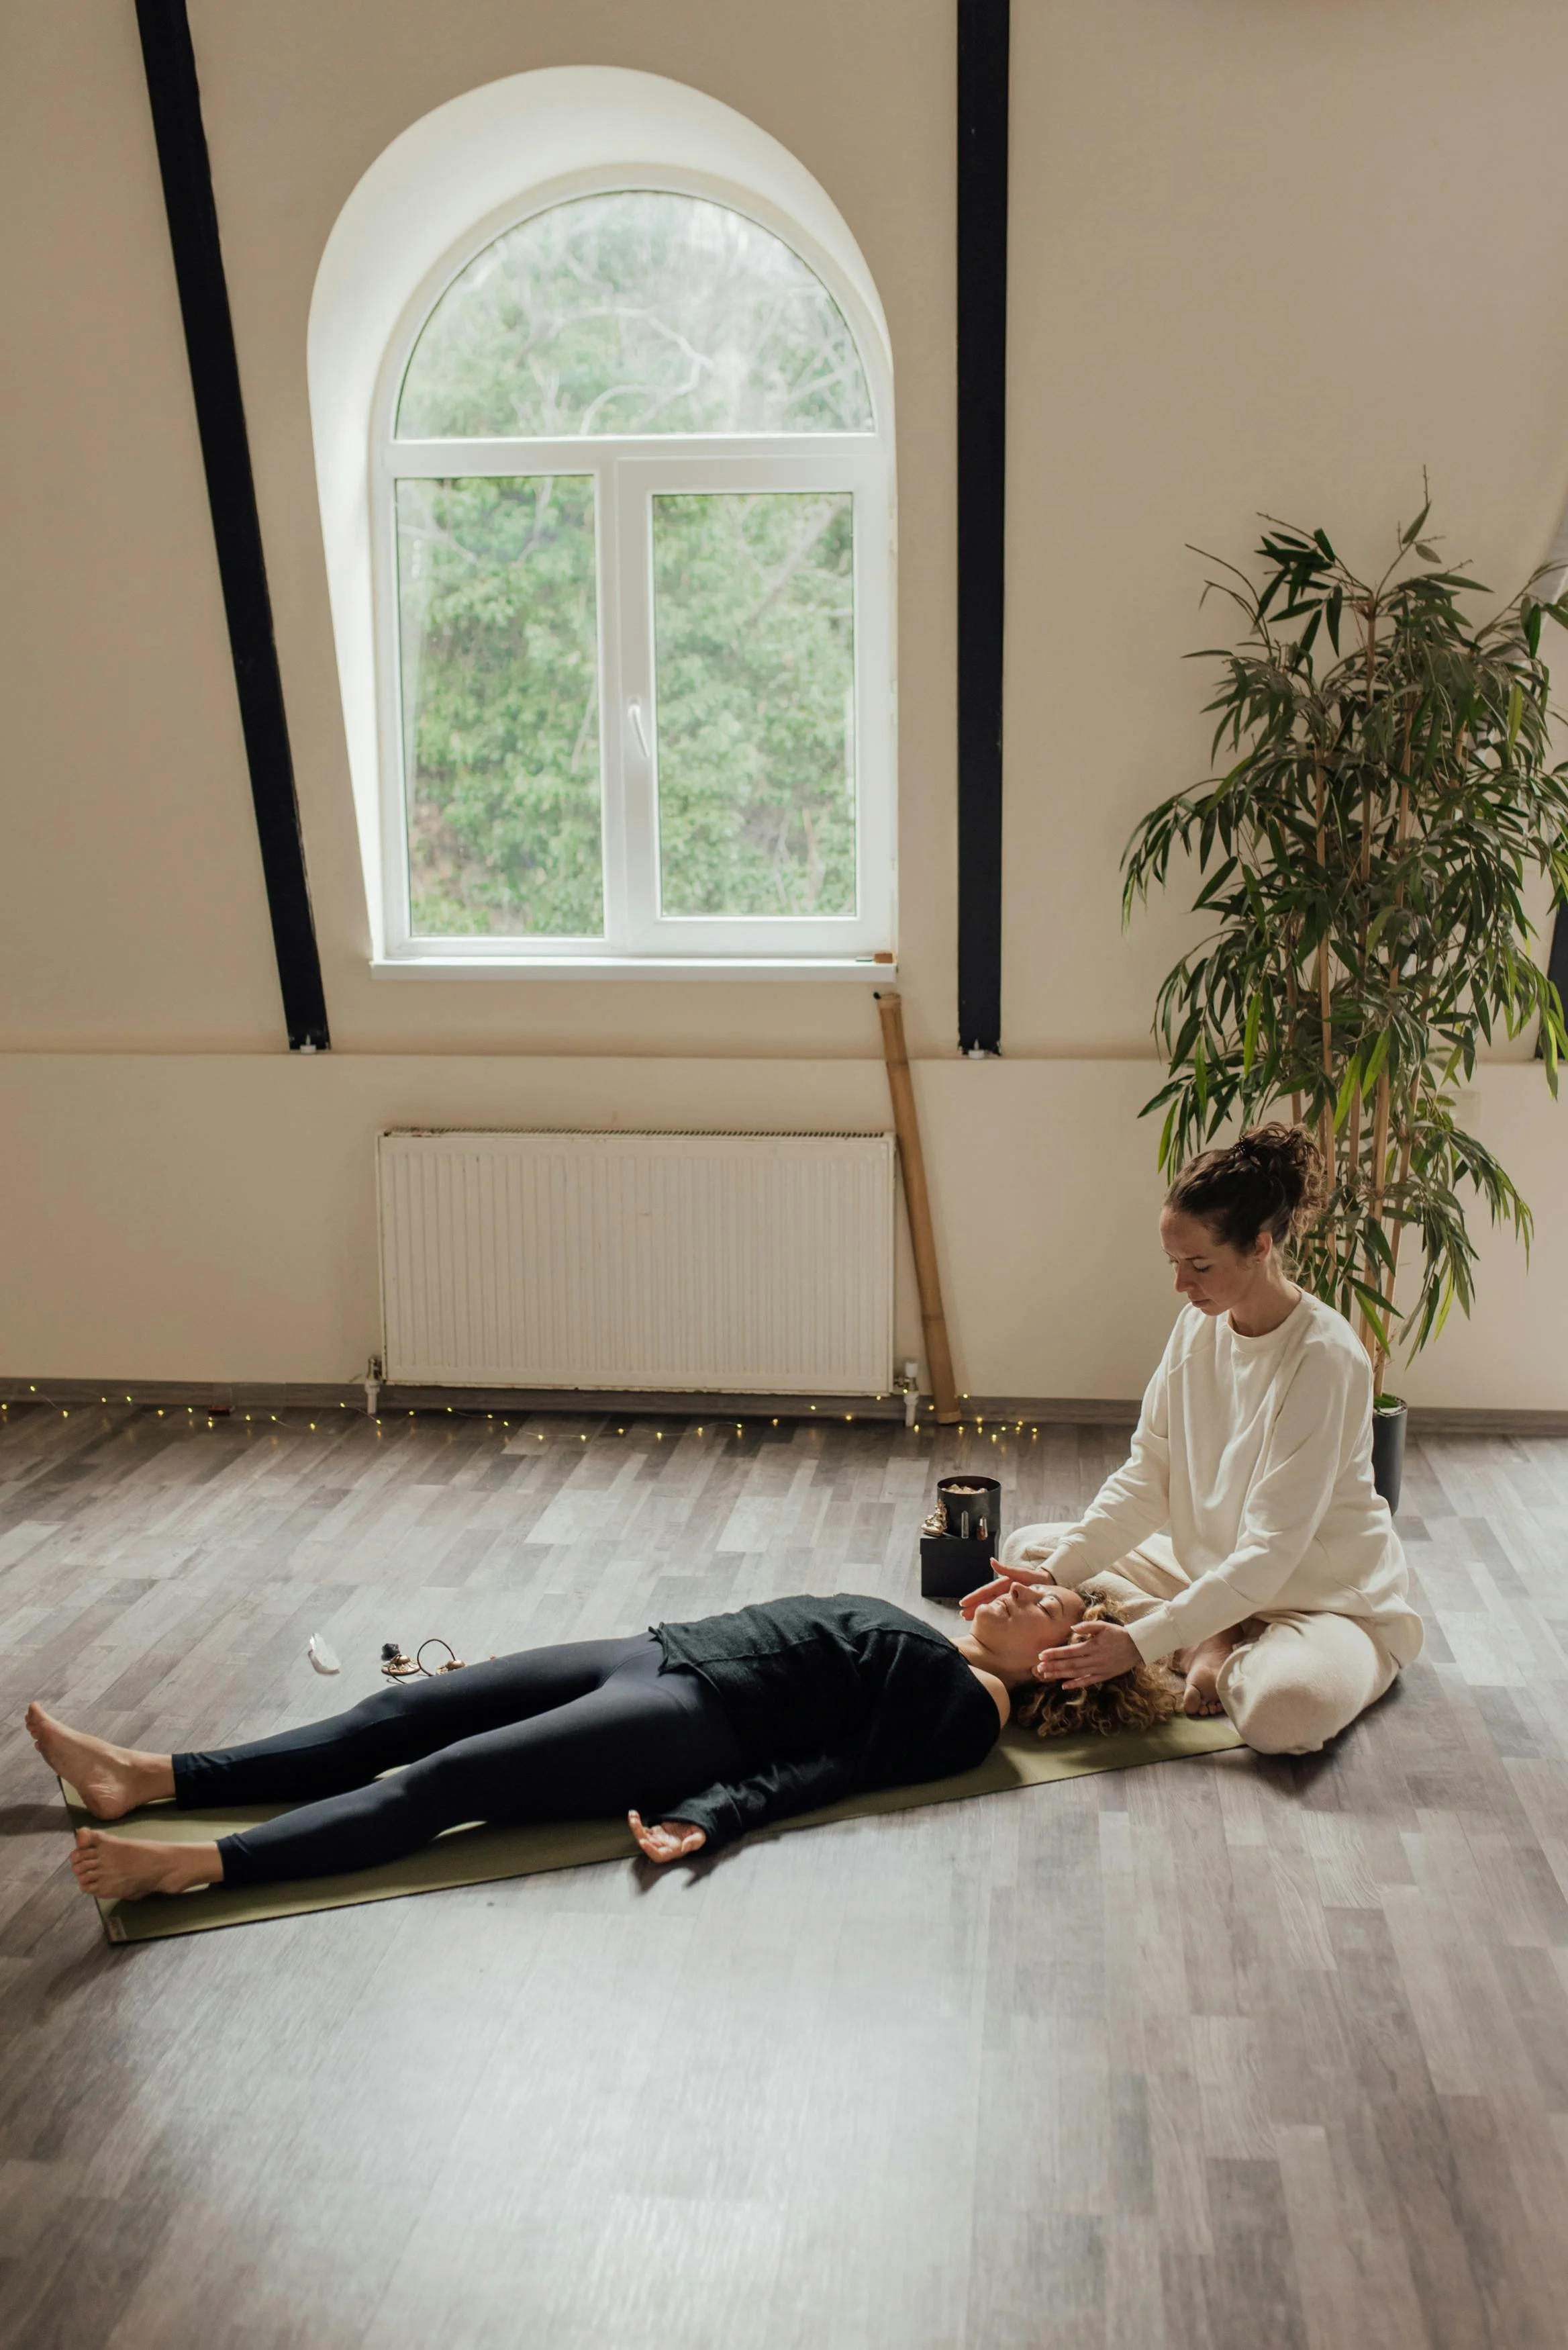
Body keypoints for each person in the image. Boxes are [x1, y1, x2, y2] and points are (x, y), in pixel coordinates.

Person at [28, 1579, 1173, 1904]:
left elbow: (830, 1773)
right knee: (401, 1713)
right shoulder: (951, 1650)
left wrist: (712, 1815)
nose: (1025, 1591)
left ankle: (201, 1863)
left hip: (690, 1720)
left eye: (1053, 1609)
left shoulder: (970, 1713)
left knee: (444, 1781)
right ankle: (149, 1777)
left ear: (1061, 1670)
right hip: (659, 1651)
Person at [963, 1123, 1423, 1756]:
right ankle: (1211, 1630)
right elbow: (1147, 1476)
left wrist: (1140, 1641)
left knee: (1281, 1718)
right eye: (1174, 1264)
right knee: (1036, 1547)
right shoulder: (1195, 1329)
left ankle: (1214, 1639)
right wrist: (1049, 1576)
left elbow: (1270, 1551)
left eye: (1199, 1265)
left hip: (1321, 1599)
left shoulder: (1326, 1358)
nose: (1182, 1285)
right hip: (1209, 1567)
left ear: (1260, 1247)